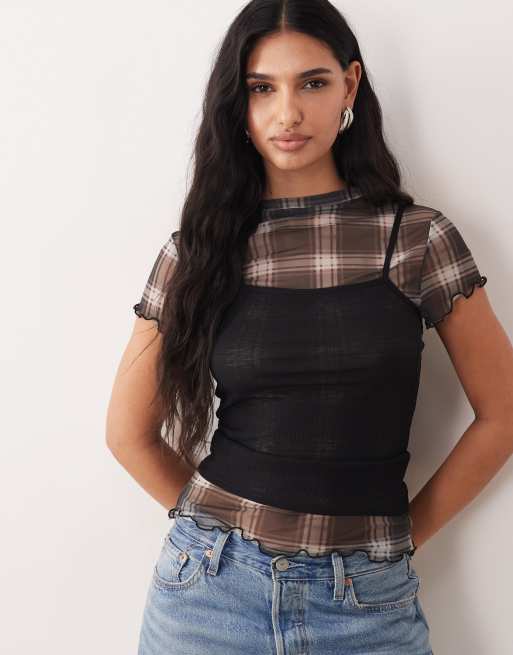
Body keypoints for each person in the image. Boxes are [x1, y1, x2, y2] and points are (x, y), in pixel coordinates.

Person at [106, 1, 513, 653]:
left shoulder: (416, 240)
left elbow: (502, 414)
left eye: (312, 83)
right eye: (261, 88)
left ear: (349, 85)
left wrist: (398, 541)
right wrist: (217, 537)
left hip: (368, 605)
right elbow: (129, 434)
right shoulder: (197, 253)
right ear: (236, 103)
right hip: (208, 599)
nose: (287, 112)